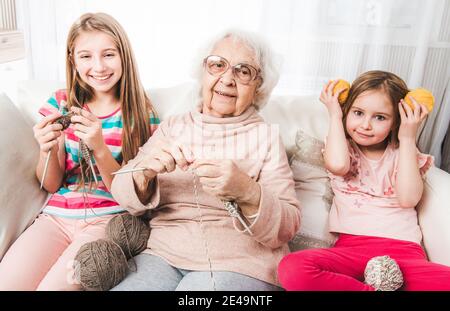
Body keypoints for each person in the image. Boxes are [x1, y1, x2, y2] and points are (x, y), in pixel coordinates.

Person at [110, 29, 300, 291]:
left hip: (239, 264)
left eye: (243, 71)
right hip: (162, 256)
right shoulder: (172, 126)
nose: (227, 78)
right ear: (203, 72)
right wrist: (144, 172)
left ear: (258, 87)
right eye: (217, 65)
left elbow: (288, 226)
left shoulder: (266, 136)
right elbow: (120, 190)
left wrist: (246, 190)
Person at [0, 12, 159, 290]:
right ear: (73, 59)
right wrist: (46, 148)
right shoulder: (61, 103)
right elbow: (50, 183)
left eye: (108, 54)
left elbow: (130, 194)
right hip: (55, 218)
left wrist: (99, 147)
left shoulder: (140, 115)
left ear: (124, 57)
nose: (98, 66)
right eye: (86, 56)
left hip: (106, 220)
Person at [278, 70, 450, 291]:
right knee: (292, 267)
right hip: (351, 253)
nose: (366, 125)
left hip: (405, 255)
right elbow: (338, 166)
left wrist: (407, 136)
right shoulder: (342, 147)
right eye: (358, 113)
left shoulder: (404, 152)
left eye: (380, 117)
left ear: (395, 120)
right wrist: (334, 114)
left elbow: (408, 198)